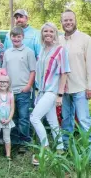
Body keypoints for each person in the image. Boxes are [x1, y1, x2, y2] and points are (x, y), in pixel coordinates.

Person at [59, 9, 91, 161]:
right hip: (63, 89)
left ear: (75, 21)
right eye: (65, 20)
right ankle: (66, 148)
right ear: (61, 23)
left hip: (80, 88)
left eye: (70, 20)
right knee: (66, 119)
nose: (68, 22)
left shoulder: (85, 39)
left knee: (84, 120)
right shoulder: (59, 40)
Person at [30, 22, 70, 166]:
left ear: (55, 33)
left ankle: (45, 149)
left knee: (34, 118)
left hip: (52, 91)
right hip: (41, 91)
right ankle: (60, 149)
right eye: (45, 31)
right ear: (42, 34)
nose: (48, 34)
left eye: (51, 31)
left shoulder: (60, 50)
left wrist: (60, 94)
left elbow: (64, 72)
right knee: (53, 121)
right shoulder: (42, 50)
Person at [2, 26, 36, 153]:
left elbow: (33, 71)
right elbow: (4, 71)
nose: (16, 39)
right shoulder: (7, 52)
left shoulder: (28, 52)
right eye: (13, 36)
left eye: (18, 36)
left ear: (23, 37)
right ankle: (14, 140)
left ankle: (24, 141)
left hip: (23, 90)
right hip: (10, 90)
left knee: (23, 117)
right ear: (10, 38)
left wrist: (28, 86)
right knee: (13, 116)